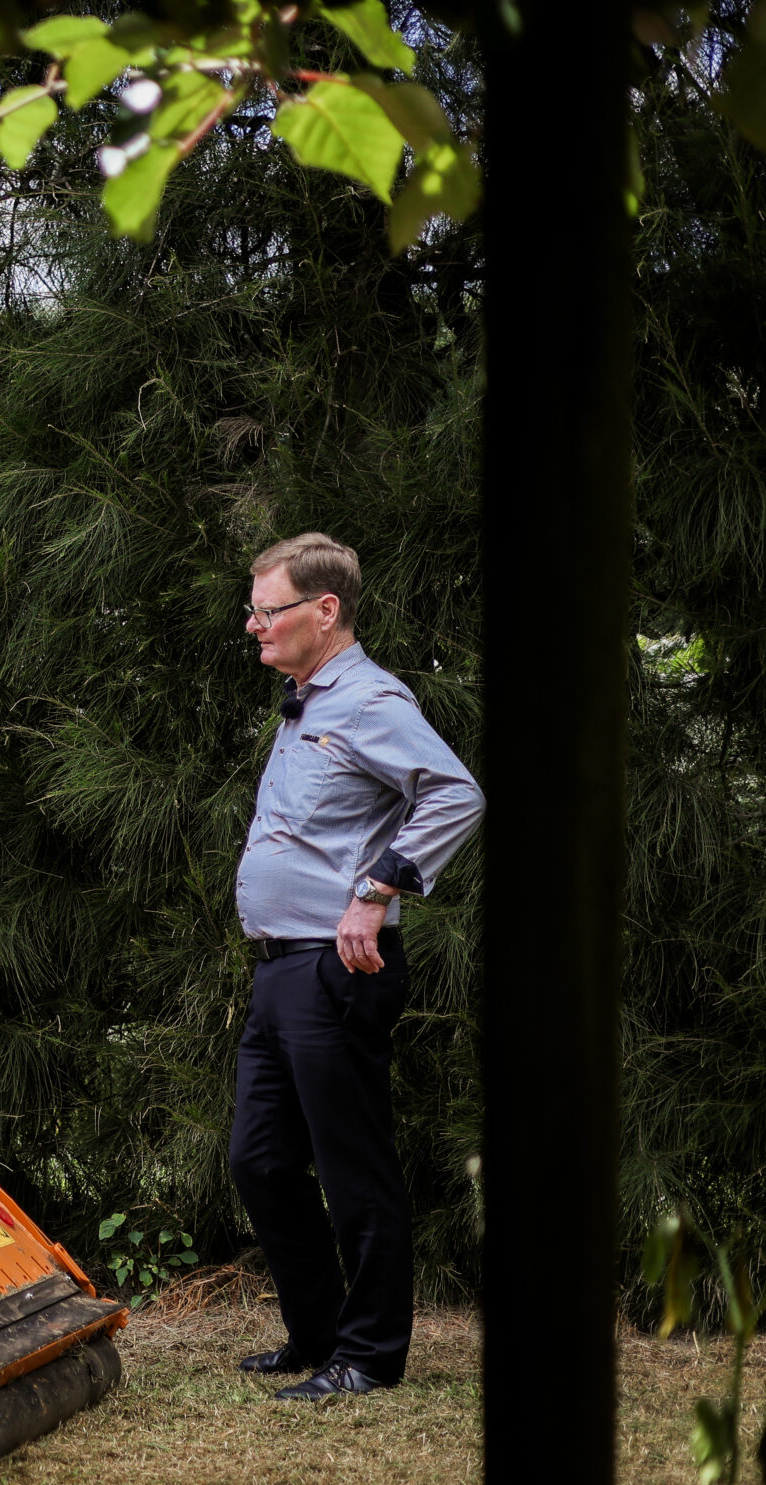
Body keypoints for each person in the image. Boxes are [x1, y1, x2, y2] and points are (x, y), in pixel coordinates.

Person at [229, 533, 483, 1400]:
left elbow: (456, 790)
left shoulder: (368, 699)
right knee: (259, 1160)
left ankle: (369, 1355)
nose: (253, 625)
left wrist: (378, 888)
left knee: (352, 1163)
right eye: (255, 609)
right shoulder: (307, 703)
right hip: (278, 970)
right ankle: (318, 1335)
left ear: (324, 610)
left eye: (268, 610)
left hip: (335, 967)